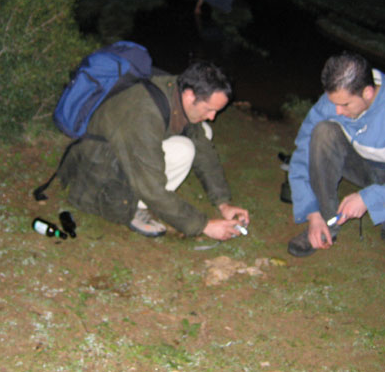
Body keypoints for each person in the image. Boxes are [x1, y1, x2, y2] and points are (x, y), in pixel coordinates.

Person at [58, 61, 250, 241]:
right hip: (97, 175)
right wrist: (204, 225)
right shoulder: (144, 113)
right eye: (209, 109)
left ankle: (144, 199)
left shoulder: (177, 91)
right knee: (183, 150)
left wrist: (223, 203)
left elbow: (203, 149)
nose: (213, 116)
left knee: (203, 132)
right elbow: (152, 188)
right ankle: (134, 206)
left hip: (126, 149)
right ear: (190, 95)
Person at [287, 52, 385, 257]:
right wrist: (312, 213)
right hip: (358, 164)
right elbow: (303, 154)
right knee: (323, 131)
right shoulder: (334, 101)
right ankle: (326, 222)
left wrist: (368, 199)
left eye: (345, 105)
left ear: (368, 92)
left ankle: (384, 211)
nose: (337, 111)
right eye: (334, 103)